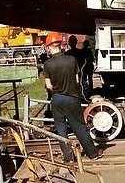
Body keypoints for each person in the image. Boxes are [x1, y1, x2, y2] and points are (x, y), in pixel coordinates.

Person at [41, 32, 101, 162]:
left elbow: (49, 85)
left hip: (57, 99)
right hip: (72, 98)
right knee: (79, 126)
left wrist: (57, 88)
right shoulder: (71, 60)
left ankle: (68, 157)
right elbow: (77, 80)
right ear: (60, 45)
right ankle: (92, 154)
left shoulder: (47, 64)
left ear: (49, 47)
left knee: (61, 129)